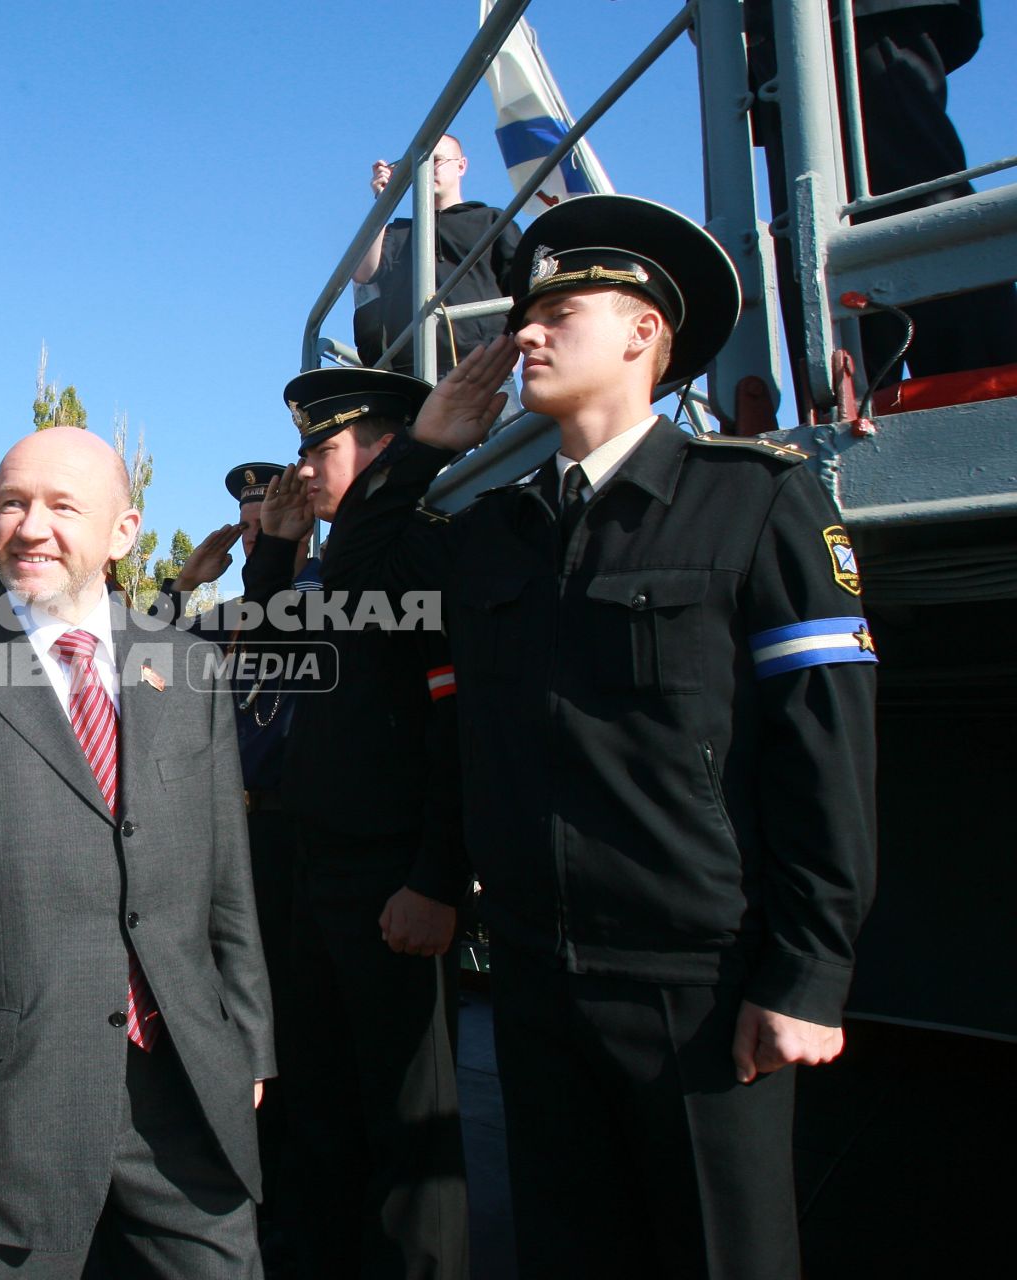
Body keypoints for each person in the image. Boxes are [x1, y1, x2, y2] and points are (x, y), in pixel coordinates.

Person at [335, 193, 878, 1279]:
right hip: (534, 980)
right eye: (523, 313)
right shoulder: (495, 529)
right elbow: (356, 583)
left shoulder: (755, 502)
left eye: (560, 309)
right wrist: (429, 445)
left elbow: (827, 749)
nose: (524, 332)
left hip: (698, 988)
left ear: (645, 333)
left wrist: (809, 970)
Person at [0, 427, 276, 1278]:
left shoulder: (188, 672)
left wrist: (246, 1044)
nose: (31, 526)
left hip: (185, 1104)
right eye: (12, 503)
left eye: (63, 506)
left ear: (123, 531)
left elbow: (226, 885)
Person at [244, 372, 471, 1279]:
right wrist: (274, 558)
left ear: (381, 451)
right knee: (320, 1101)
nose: (301, 468)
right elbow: (273, 668)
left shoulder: (418, 551)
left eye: (320, 448)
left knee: (408, 1127)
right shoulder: (332, 564)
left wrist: (438, 879)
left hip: (392, 877)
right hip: (316, 868)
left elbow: (458, 727)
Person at [158, 463, 308, 1269]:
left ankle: (290, 1198)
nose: (253, 536)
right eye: (245, 526)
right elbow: (125, 658)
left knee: (290, 1029)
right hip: (222, 846)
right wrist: (183, 585)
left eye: (265, 522)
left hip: (295, 845)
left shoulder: (329, 599)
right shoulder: (217, 624)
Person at [747, 0, 1017, 386]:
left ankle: (985, 389)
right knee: (810, 230)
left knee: (912, 195)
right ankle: (849, 397)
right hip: (773, 30)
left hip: (863, 14)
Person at [352, 133, 521, 378]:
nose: (428, 169)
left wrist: (516, 343)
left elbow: (518, 283)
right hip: (414, 371)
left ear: (461, 165)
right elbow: (364, 273)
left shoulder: (493, 220)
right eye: (421, 163)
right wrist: (383, 201)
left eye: (436, 160)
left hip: (487, 365)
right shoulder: (397, 232)